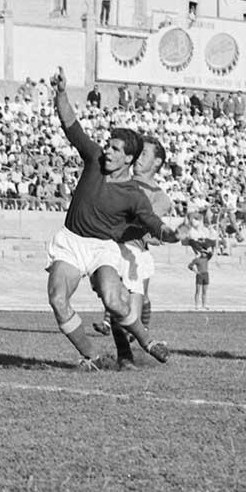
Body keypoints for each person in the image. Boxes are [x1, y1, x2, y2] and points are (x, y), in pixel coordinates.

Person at [46, 69, 187, 370]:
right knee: (58, 300)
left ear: (128, 158)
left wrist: (173, 235)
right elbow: (71, 126)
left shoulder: (134, 194)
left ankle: (148, 343)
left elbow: (151, 222)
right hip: (71, 243)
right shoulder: (94, 158)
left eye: (115, 149)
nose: (107, 151)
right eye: (108, 145)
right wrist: (60, 93)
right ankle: (91, 357)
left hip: (102, 248)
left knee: (114, 300)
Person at [107, 136, 177, 369]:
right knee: (118, 303)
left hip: (135, 252)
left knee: (130, 311)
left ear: (157, 163)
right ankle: (125, 356)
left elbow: (147, 225)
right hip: (111, 247)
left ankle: (136, 344)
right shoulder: (119, 178)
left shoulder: (161, 198)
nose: (138, 158)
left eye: (144, 154)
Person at [188, 241, 213, 309]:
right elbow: (190, 266)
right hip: (200, 275)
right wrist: (195, 271)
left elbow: (211, 254)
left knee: (204, 291)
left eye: (204, 253)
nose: (203, 254)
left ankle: (204, 305)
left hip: (206, 275)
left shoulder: (207, 258)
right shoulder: (197, 259)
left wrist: (205, 250)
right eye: (202, 252)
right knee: (198, 290)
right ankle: (196, 305)